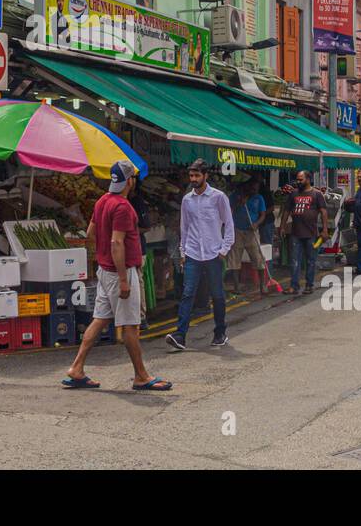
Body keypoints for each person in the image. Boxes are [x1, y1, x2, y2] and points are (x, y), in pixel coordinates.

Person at [63, 160, 170, 391]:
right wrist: (123, 279)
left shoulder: (102, 201)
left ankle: (77, 368)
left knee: (100, 319)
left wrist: (104, 258)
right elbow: (116, 242)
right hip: (119, 272)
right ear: (129, 181)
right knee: (131, 325)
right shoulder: (123, 207)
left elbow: (91, 233)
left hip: (104, 271)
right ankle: (141, 376)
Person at [166, 158, 234, 351]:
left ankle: (220, 333)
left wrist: (224, 250)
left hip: (214, 253)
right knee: (188, 294)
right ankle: (180, 335)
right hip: (193, 253)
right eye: (191, 176)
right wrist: (183, 251)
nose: (193, 179)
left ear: (206, 176)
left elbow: (228, 224)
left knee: (218, 295)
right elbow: (184, 227)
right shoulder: (187, 200)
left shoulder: (219, 197)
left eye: (196, 175)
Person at [278, 169, 327, 295]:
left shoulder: (316, 194)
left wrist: (325, 230)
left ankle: (309, 285)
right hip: (296, 233)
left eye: (301, 179)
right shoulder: (293, 194)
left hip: (311, 233)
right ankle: (294, 286)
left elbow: (323, 212)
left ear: (308, 179)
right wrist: (282, 226)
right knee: (294, 261)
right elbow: (287, 211)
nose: (298, 182)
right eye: (297, 179)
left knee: (311, 260)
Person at [227, 179, 268, 296]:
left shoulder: (259, 198)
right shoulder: (236, 195)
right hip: (237, 230)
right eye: (253, 188)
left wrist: (257, 223)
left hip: (252, 232)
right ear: (247, 187)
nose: (255, 191)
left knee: (258, 258)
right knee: (234, 259)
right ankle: (236, 286)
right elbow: (228, 210)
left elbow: (263, 214)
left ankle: (262, 285)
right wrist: (239, 202)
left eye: (256, 189)